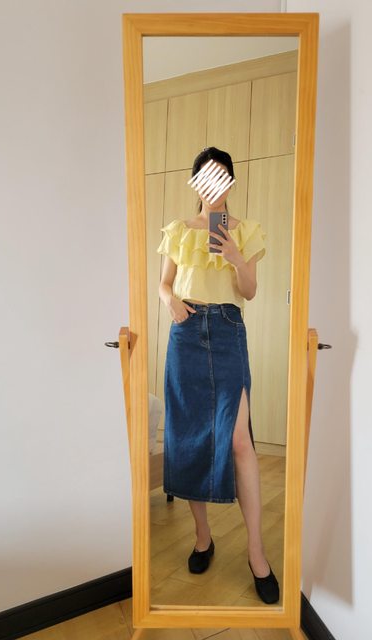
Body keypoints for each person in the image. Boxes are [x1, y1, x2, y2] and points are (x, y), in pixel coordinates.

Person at [156, 146, 279, 604]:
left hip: (227, 330)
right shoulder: (177, 230)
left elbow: (249, 290)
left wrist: (235, 256)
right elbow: (164, 283)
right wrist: (170, 301)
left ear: (230, 182)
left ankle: (256, 553)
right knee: (190, 438)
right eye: (206, 177)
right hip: (186, 332)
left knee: (239, 440)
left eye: (222, 177)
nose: (214, 186)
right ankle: (203, 537)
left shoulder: (245, 231)